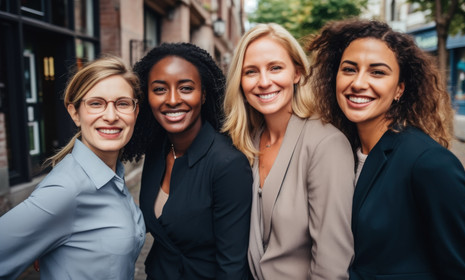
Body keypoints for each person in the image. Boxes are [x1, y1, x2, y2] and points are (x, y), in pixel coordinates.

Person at [307, 19, 465, 279]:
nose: (358, 83)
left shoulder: (428, 162)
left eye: (377, 72)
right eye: (349, 69)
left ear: (399, 89)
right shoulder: (340, 150)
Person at [222, 23, 355, 279]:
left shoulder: (326, 144)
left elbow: (332, 263)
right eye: (251, 71)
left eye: (275, 68)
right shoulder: (246, 141)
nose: (263, 82)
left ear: (297, 72)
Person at [0, 56, 145, 279]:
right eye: (96, 103)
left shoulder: (110, 175)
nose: (111, 116)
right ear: (75, 113)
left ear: (135, 112)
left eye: (122, 103)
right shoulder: (65, 189)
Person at [121, 42, 253, 279]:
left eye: (186, 88)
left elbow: (232, 266)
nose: (172, 100)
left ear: (203, 94)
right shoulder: (158, 149)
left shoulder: (227, 164)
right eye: (160, 89)